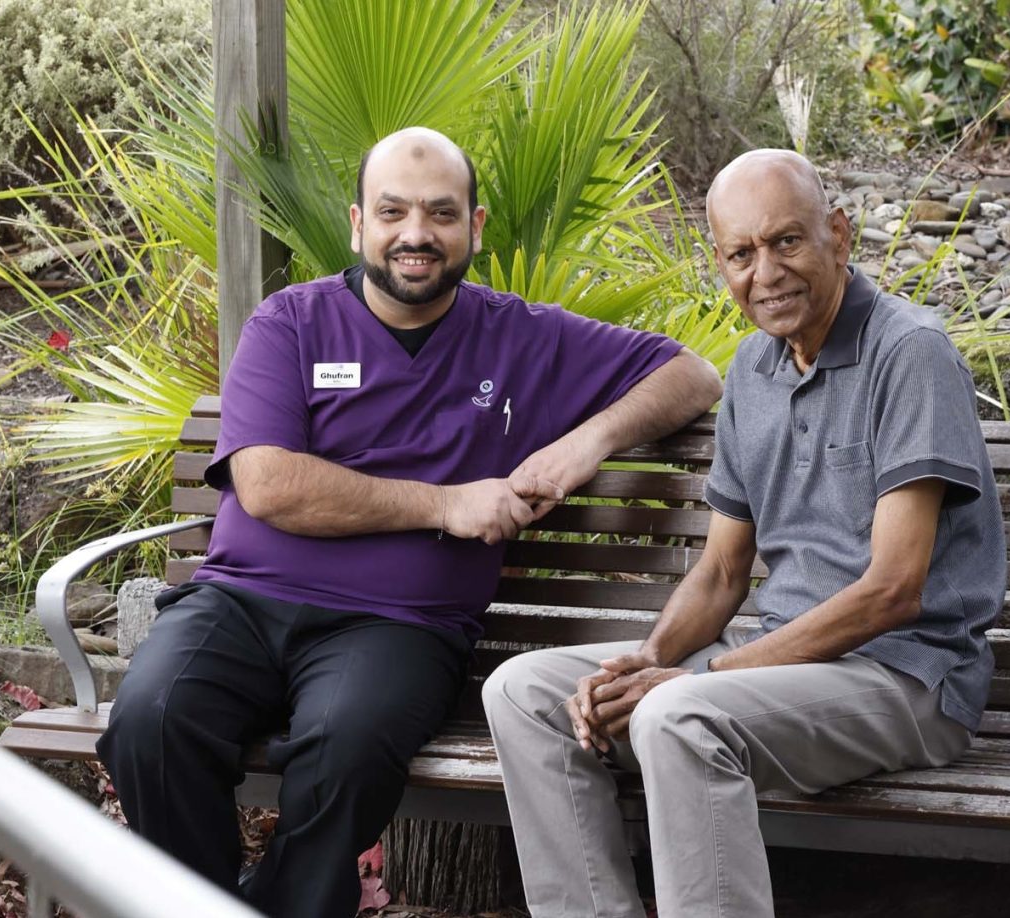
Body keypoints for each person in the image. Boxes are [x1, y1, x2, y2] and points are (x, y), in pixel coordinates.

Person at [97, 127, 722, 918]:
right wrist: (446, 503)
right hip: (240, 606)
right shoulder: (290, 323)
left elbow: (691, 373)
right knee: (151, 720)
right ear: (359, 224)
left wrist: (583, 443)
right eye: (392, 212)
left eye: (439, 212)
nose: (415, 234)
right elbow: (266, 485)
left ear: (475, 226)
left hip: (398, 626)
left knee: (347, 748)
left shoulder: (521, 335)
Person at [483, 148, 1007, 917]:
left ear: (838, 234)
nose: (766, 272)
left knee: (679, 714)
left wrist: (697, 681)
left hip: (904, 679)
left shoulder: (908, 354)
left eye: (786, 241)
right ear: (721, 265)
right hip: (775, 664)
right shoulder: (753, 374)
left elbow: (892, 592)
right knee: (523, 690)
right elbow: (723, 574)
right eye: (741, 253)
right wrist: (649, 658)